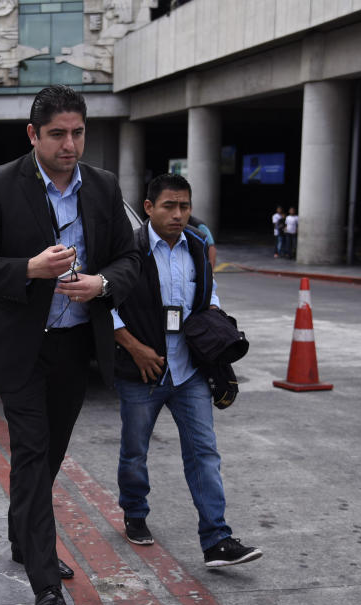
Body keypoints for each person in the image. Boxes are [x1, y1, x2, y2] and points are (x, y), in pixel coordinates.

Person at [0, 85, 140, 605]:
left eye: (78, 133)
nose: (69, 144)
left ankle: (22, 537)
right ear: (33, 135)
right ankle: (45, 580)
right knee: (33, 454)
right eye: (57, 134)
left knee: (47, 457)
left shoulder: (104, 188)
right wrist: (29, 269)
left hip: (75, 346)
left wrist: (102, 283)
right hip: (21, 347)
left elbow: (130, 260)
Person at [111, 173, 262, 568]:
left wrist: (212, 314)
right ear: (148, 208)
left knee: (204, 453)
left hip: (190, 369)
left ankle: (217, 539)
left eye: (185, 207)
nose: (179, 214)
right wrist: (133, 346)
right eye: (169, 206)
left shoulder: (197, 246)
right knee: (134, 452)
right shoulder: (129, 248)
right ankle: (135, 512)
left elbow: (208, 289)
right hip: (143, 370)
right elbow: (105, 302)